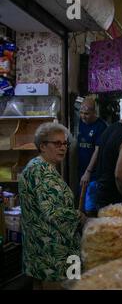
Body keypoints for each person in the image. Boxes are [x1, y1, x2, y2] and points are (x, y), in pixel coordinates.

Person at [19, 122, 83, 288]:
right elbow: (52, 212)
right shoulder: (42, 171)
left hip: (40, 250)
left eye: (64, 143)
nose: (63, 148)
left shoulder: (37, 166)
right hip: (55, 253)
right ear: (42, 146)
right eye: (57, 143)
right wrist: (81, 217)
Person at [77, 98, 107, 216]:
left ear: (94, 112)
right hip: (80, 170)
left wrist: (88, 172)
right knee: (81, 203)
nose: (83, 116)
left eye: (87, 114)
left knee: (90, 207)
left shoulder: (101, 126)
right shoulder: (78, 122)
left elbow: (97, 150)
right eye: (81, 113)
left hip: (93, 174)